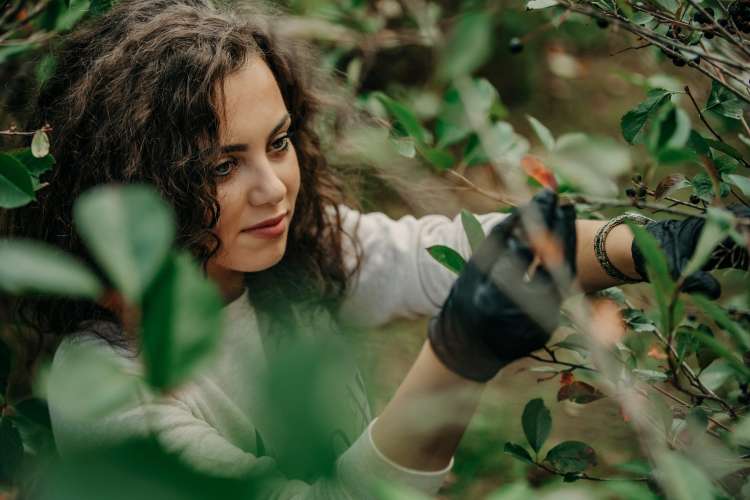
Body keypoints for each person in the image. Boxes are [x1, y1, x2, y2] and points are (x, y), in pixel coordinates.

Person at [1, 0, 747, 498]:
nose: (274, 192)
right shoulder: (105, 385)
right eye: (221, 166)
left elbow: (449, 252)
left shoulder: (293, 250)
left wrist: (661, 244)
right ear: (133, 181)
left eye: (280, 142)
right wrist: (456, 362)